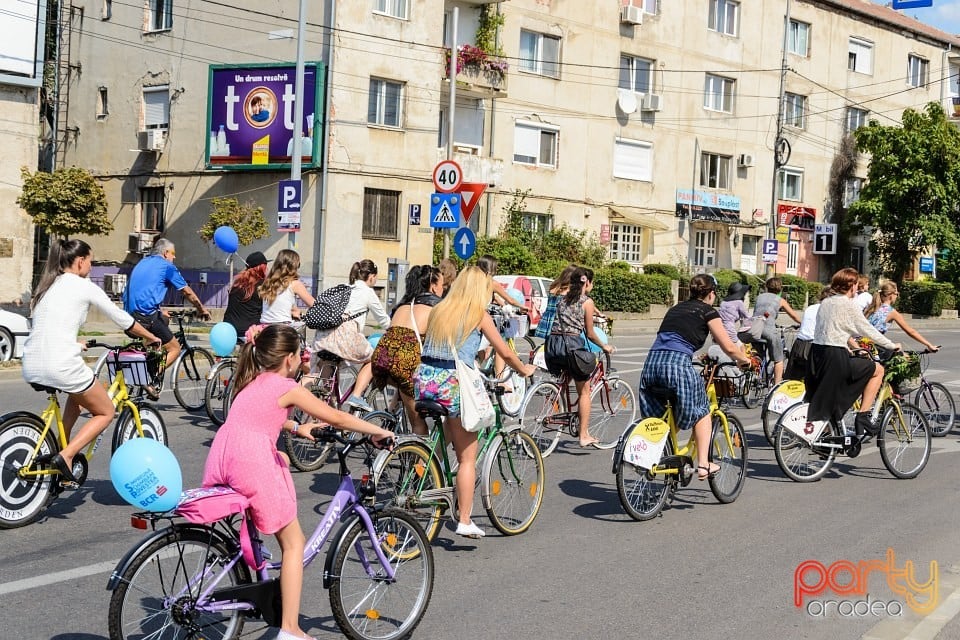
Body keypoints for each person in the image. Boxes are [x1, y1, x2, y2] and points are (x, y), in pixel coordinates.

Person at [202, 324, 393, 640]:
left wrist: (295, 427)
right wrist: (375, 431)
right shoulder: (287, 386)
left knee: (283, 464)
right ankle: (290, 629)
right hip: (251, 460)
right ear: (290, 358)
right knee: (293, 544)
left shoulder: (251, 381)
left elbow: (260, 414)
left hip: (225, 457)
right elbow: (339, 418)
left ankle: (260, 580)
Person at [22, 240, 161, 484]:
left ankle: (55, 448)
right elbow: (122, 318)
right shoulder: (83, 285)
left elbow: (46, 328)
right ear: (80, 261)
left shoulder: (48, 286)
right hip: (60, 364)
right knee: (105, 411)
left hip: (32, 362)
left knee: (76, 401)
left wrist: (76, 344)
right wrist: (150, 337)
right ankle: (66, 455)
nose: (91, 265)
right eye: (91, 261)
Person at [414, 267, 537, 539]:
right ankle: (466, 519)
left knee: (446, 438)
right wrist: (522, 369)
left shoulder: (440, 310)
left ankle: (426, 471)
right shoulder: (477, 314)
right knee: (467, 457)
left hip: (426, 382)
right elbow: (503, 350)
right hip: (454, 385)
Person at [638, 274, 752, 480]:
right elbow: (728, 345)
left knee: (660, 415)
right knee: (702, 411)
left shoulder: (675, 309)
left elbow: (674, 337)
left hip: (652, 363)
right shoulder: (708, 311)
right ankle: (704, 465)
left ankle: (656, 456)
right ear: (711, 293)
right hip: (677, 364)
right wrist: (743, 360)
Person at [806, 268, 900, 437]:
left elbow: (829, 330)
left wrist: (851, 348)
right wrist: (891, 345)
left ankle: (831, 431)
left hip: (817, 355)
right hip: (835, 358)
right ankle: (863, 416)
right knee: (878, 370)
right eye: (856, 284)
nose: (857, 288)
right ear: (852, 286)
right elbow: (867, 329)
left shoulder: (826, 302)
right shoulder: (849, 305)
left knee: (835, 391)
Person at [544, 267, 615, 448]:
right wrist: (604, 346)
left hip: (553, 346)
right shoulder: (586, 302)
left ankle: (558, 403)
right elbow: (590, 334)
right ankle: (583, 435)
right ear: (587, 283)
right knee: (585, 391)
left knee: (566, 376)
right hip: (571, 347)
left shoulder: (562, 300)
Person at [370, 265, 444, 435]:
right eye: (442, 284)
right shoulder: (435, 308)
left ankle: (392, 408)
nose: (443, 288)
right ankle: (420, 461)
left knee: (403, 381)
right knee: (418, 424)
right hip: (404, 365)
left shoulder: (402, 306)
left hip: (381, 360)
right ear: (432, 286)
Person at [124, 238, 211, 376]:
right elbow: (186, 291)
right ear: (165, 253)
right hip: (145, 316)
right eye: (173, 253)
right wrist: (201, 309)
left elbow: (144, 292)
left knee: (164, 318)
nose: (174, 256)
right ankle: (150, 375)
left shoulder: (143, 262)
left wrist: (160, 311)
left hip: (128, 316)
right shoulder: (166, 266)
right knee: (175, 348)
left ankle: (150, 351)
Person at [342, 259, 391, 411]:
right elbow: (384, 321)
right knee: (374, 358)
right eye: (376, 278)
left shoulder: (346, 288)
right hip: (348, 338)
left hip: (329, 337)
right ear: (371, 277)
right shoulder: (368, 292)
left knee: (329, 381)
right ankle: (356, 396)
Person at [752, 277, 802, 385]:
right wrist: (802, 323)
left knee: (758, 355)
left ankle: (754, 377)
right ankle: (777, 386)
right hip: (768, 330)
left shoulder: (759, 297)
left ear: (767, 286)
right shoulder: (780, 300)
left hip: (754, 329)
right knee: (778, 359)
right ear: (780, 288)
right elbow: (793, 315)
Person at [865, 282, 939, 352]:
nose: (897, 297)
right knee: (903, 357)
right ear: (891, 295)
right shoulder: (891, 312)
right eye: (897, 294)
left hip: (863, 344)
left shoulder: (871, 308)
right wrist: (929, 345)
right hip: (873, 346)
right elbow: (910, 331)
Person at [784, 287, 832, 381]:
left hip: (799, 345)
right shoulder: (827, 309)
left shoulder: (810, 307)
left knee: (792, 379)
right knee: (819, 379)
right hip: (813, 346)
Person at [260, 249, 315, 324]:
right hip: (282, 329)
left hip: (264, 327)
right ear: (293, 266)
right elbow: (314, 305)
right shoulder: (294, 284)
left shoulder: (268, 282)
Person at [222, 251, 269, 340]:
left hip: (229, 329)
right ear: (261, 267)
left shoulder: (237, 283)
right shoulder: (262, 286)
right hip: (249, 332)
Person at [535, 265, 577, 339]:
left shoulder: (555, 286)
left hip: (546, 318)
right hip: (558, 321)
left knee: (543, 346)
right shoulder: (568, 290)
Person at [718, 282, 751, 350]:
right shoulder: (739, 302)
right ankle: (743, 360)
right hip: (729, 329)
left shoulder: (723, 302)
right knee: (742, 347)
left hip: (719, 328)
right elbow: (746, 316)